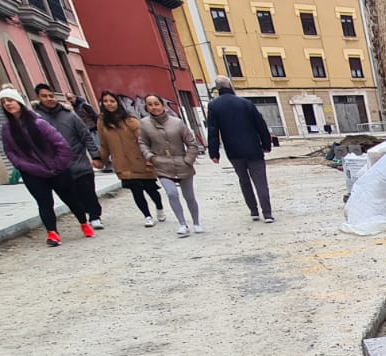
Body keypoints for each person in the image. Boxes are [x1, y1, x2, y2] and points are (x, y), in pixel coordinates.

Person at [0, 85, 83, 246]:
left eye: (10, 100)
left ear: (18, 102)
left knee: (70, 199)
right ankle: (52, 233)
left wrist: (58, 164)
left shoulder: (38, 123)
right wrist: (22, 165)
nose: (7, 104)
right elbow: (9, 151)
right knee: (44, 202)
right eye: (3, 102)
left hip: (56, 169)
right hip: (32, 173)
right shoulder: (7, 129)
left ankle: (83, 222)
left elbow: (61, 145)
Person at [31, 83, 104, 229]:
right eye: (44, 96)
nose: (49, 99)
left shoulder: (69, 115)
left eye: (51, 95)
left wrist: (95, 156)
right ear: (38, 98)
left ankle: (95, 216)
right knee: (74, 196)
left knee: (88, 191)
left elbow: (85, 136)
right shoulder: (35, 118)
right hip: (58, 166)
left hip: (79, 161)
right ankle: (84, 214)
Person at [204, 75, 274, 222]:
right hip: (253, 149)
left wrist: (214, 152)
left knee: (244, 180)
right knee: (261, 182)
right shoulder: (246, 103)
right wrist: (266, 145)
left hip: (234, 151)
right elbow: (261, 125)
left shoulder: (214, 106)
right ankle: (267, 213)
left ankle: (254, 211)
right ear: (230, 85)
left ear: (217, 88)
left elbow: (212, 131)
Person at [94, 91, 164, 228]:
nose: (109, 104)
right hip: (122, 162)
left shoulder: (130, 119)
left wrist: (149, 157)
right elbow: (104, 144)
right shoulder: (102, 122)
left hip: (140, 160)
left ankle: (159, 208)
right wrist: (101, 160)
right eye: (106, 101)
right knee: (136, 191)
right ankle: (147, 216)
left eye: (112, 101)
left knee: (151, 189)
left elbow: (143, 139)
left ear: (117, 103)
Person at [137, 94, 202, 236]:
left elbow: (191, 143)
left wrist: (188, 160)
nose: (154, 107)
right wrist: (150, 157)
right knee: (172, 193)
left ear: (162, 105)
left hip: (182, 163)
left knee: (189, 196)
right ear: (146, 107)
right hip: (161, 164)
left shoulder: (177, 122)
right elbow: (142, 142)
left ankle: (196, 222)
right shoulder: (144, 124)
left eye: (156, 103)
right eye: (150, 104)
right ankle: (182, 224)